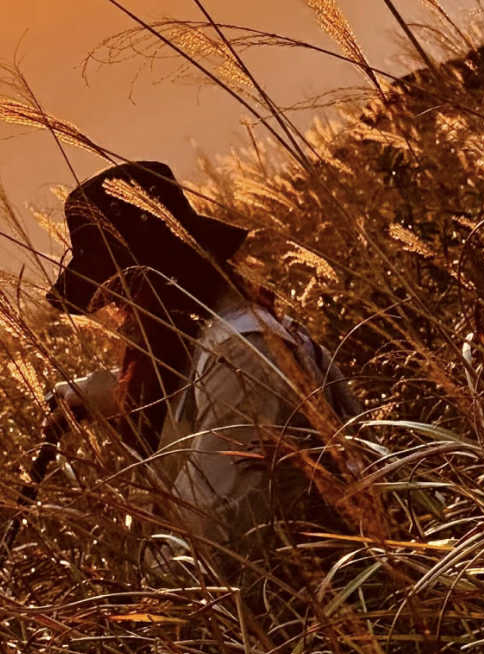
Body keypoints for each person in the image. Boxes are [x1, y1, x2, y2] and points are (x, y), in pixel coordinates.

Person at [45, 160, 359, 584]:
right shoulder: (224, 338)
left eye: (122, 295)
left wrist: (129, 587)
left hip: (312, 615)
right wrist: (98, 396)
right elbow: (197, 416)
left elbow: (216, 535)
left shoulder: (245, 357)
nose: (120, 317)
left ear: (157, 278)